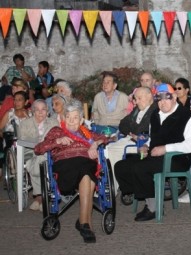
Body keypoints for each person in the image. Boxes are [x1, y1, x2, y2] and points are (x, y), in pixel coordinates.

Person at [114, 84, 191, 222]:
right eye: (159, 100)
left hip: (177, 158)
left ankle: (153, 207)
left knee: (140, 169)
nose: (162, 103)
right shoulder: (155, 115)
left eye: (166, 98)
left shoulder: (186, 116)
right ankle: (146, 194)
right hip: (154, 155)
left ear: (174, 97)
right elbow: (152, 137)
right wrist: (146, 146)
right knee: (121, 166)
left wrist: (166, 148)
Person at [34, 99, 107, 243]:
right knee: (87, 171)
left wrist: (95, 145)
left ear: (81, 120)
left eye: (75, 118)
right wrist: (58, 142)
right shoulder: (56, 131)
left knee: (87, 171)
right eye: (68, 117)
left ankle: (85, 224)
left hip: (85, 165)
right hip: (65, 167)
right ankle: (84, 222)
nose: (72, 121)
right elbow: (38, 149)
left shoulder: (87, 133)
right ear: (63, 118)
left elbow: (105, 138)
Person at [106, 87, 157, 192]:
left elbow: (143, 129)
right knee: (106, 149)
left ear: (149, 96)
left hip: (143, 144)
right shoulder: (137, 109)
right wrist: (130, 131)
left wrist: (132, 129)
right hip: (129, 138)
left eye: (139, 98)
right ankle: (111, 183)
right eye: (135, 99)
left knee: (111, 151)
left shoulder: (155, 110)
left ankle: (113, 188)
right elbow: (122, 124)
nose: (136, 101)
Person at [18, 99, 58, 212]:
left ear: (48, 111)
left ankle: (39, 197)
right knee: (38, 161)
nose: (40, 112)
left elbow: (55, 140)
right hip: (30, 152)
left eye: (43, 109)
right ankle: (43, 197)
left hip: (47, 153)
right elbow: (23, 141)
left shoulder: (53, 123)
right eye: (37, 110)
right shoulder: (25, 124)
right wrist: (39, 144)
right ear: (32, 111)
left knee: (41, 158)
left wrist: (43, 146)